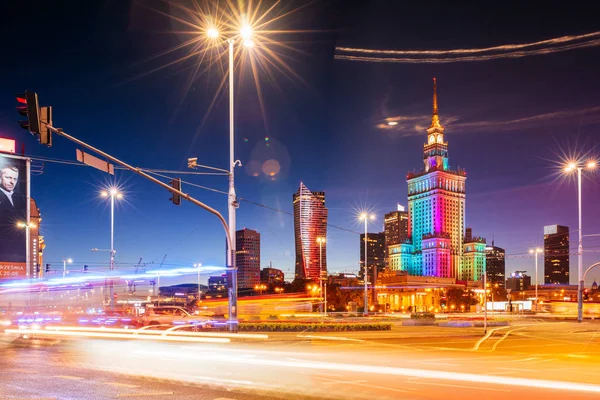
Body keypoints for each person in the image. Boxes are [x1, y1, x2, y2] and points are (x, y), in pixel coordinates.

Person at [0, 162, 27, 262]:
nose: (12, 182)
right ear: (0, 177)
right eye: (8, 177)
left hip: (16, 250)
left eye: (14, 179)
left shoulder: (21, 198)